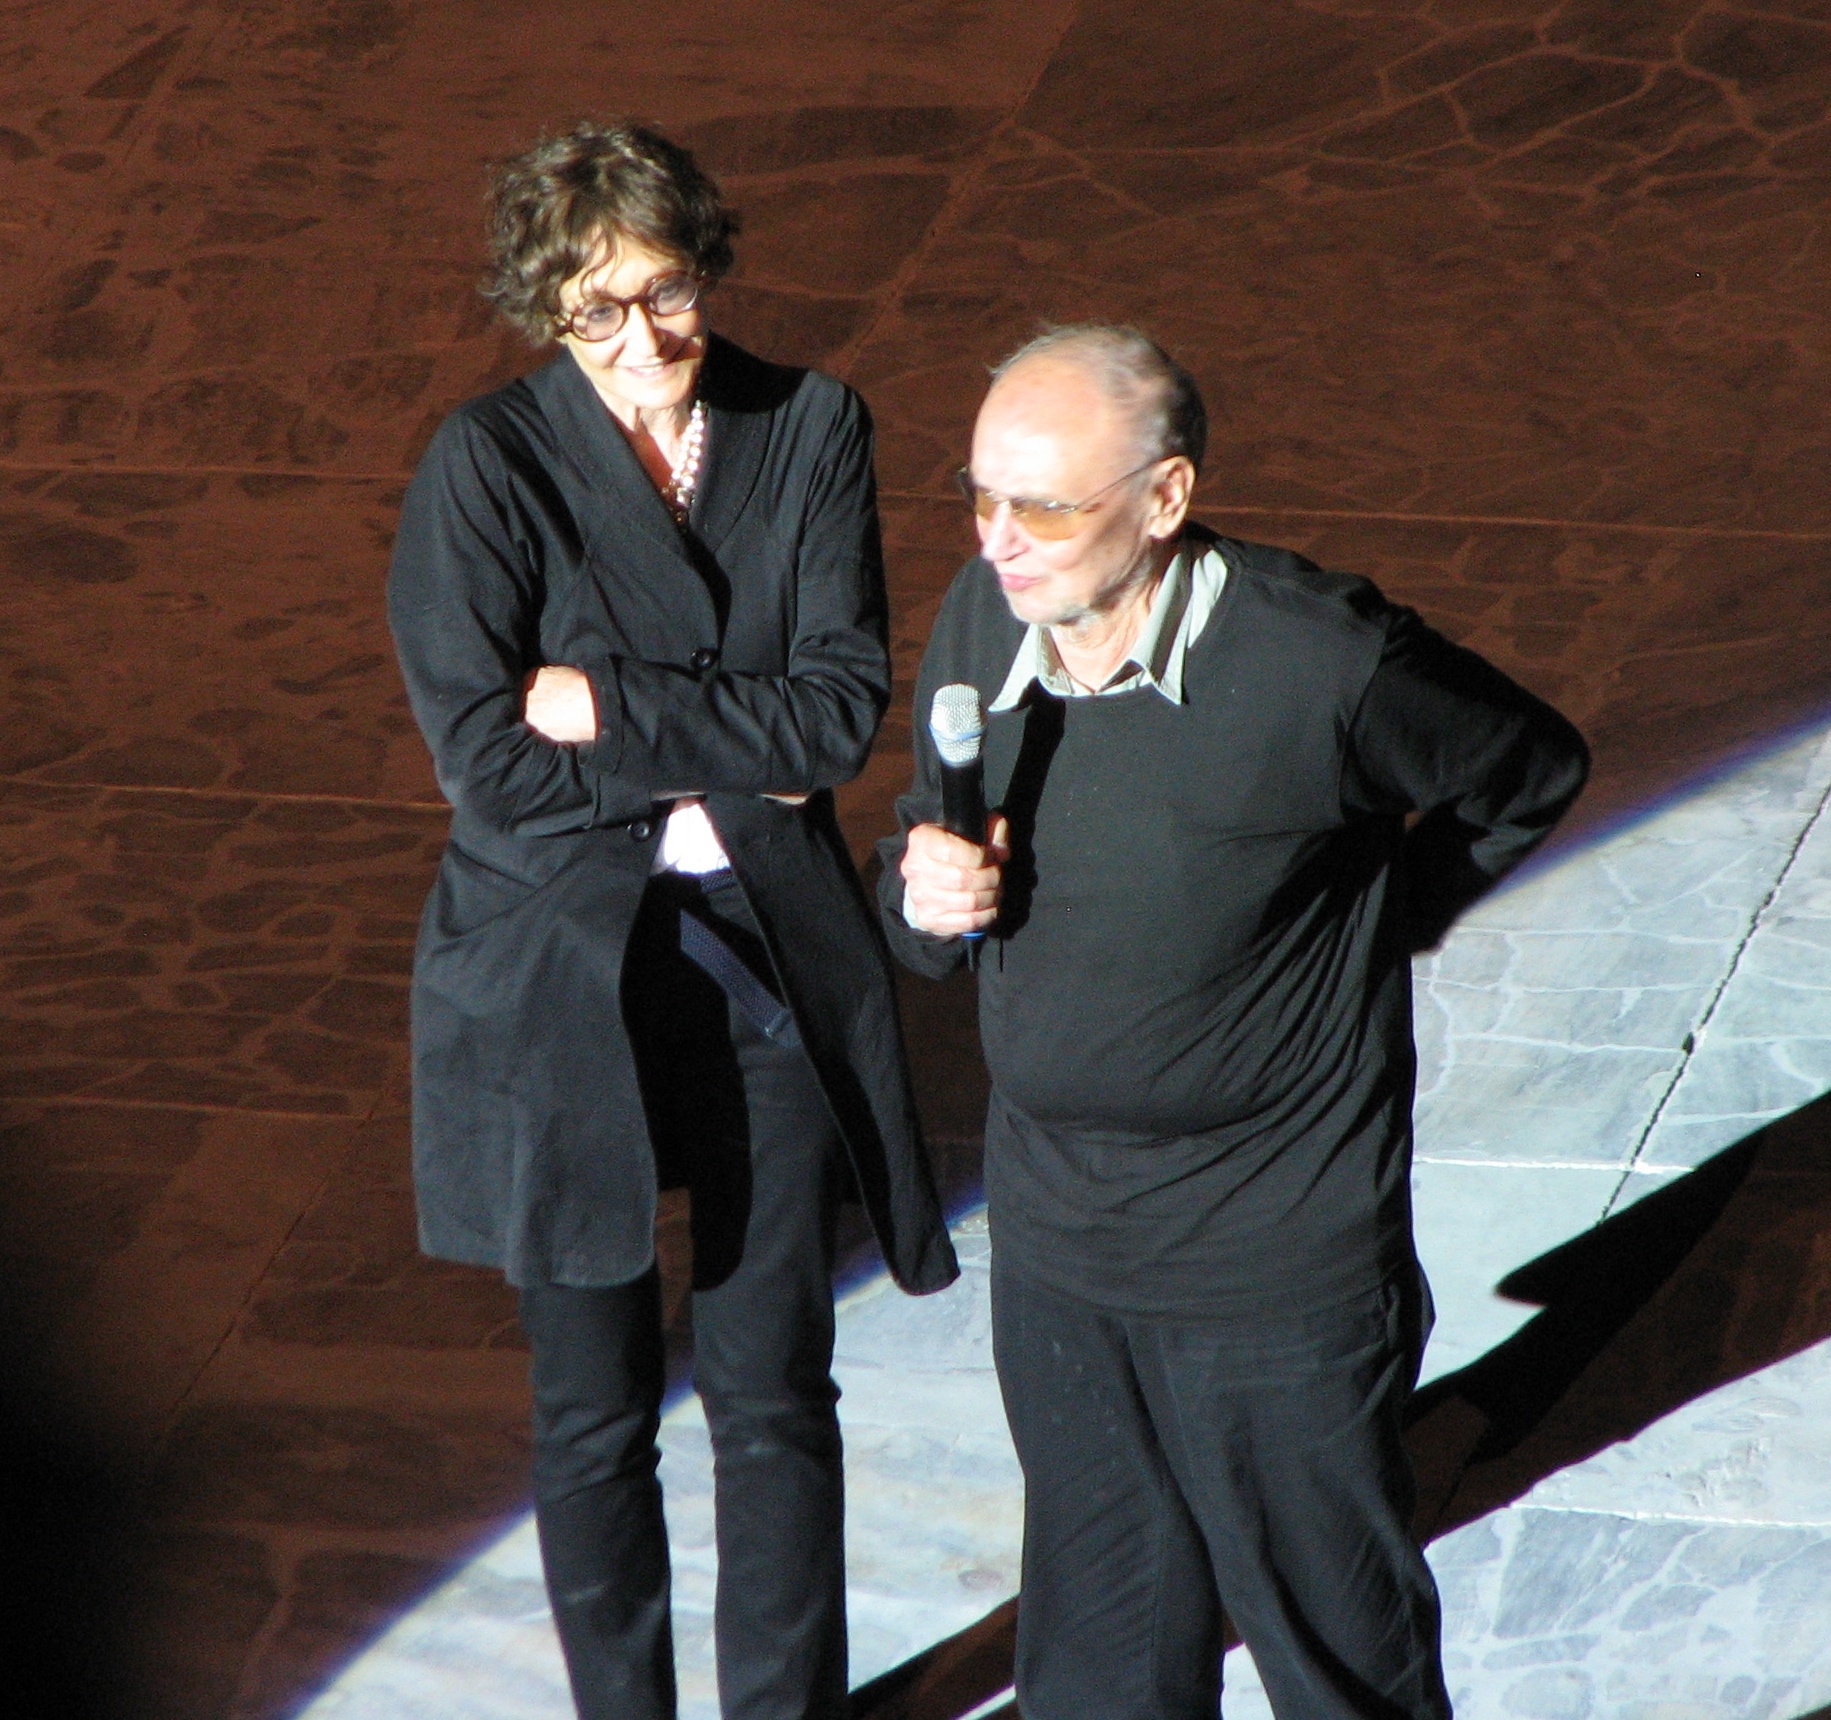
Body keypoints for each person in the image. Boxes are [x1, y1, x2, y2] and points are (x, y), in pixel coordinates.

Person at [880, 324, 1588, 1720]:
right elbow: (931, 849)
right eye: (979, 497)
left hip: (1268, 1257)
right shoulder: (987, 618)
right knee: (1095, 1657)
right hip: (1062, 1247)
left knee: (1328, 1651)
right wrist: (925, 892)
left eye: (1044, 505)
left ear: (1162, 498)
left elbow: (1529, 768)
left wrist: (1368, 923)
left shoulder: (1319, 663)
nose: (1001, 542)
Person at [387, 121, 955, 1720]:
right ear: (545, 316)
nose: (645, 343)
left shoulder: (809, 424)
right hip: (559, 973)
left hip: (763, 951)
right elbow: (488, 765)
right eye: (597, 313)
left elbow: (837, 720)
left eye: (667, 295)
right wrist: (723, 732)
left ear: (707, 268)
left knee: (775, 1385)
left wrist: (604, 703)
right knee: (591, 1414)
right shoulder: (483, 465)